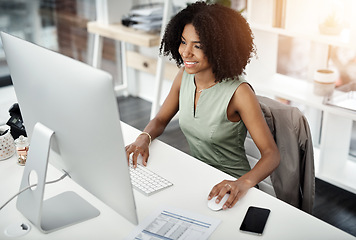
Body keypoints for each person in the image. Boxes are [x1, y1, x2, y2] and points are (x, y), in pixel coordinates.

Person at [125, 1, 280, 210]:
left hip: (231, 188)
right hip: (198, 176)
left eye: (198, 46)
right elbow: (161, 119)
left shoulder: (239, 92)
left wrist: (241, 184)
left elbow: (272, 155)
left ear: (219, 49)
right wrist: (144, 138)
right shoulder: (185, 77)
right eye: (183, 42)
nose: (186, 52)